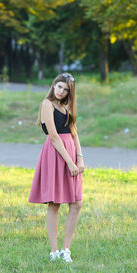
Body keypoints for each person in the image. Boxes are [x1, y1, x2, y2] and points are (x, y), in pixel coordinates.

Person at [28, 72, 84, 263]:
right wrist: (69, 161)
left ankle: (66, 249)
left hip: (71, 154)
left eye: (66, 89)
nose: (61, 91)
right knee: (55, 202)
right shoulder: (47, 105)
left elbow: (74, 133)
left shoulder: (66, 106)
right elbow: (53, 136)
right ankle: (54, 252)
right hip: (56, 154)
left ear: (70, 92)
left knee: (77, 202)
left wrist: (80, 159)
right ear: (54, 85)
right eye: (59, 87)